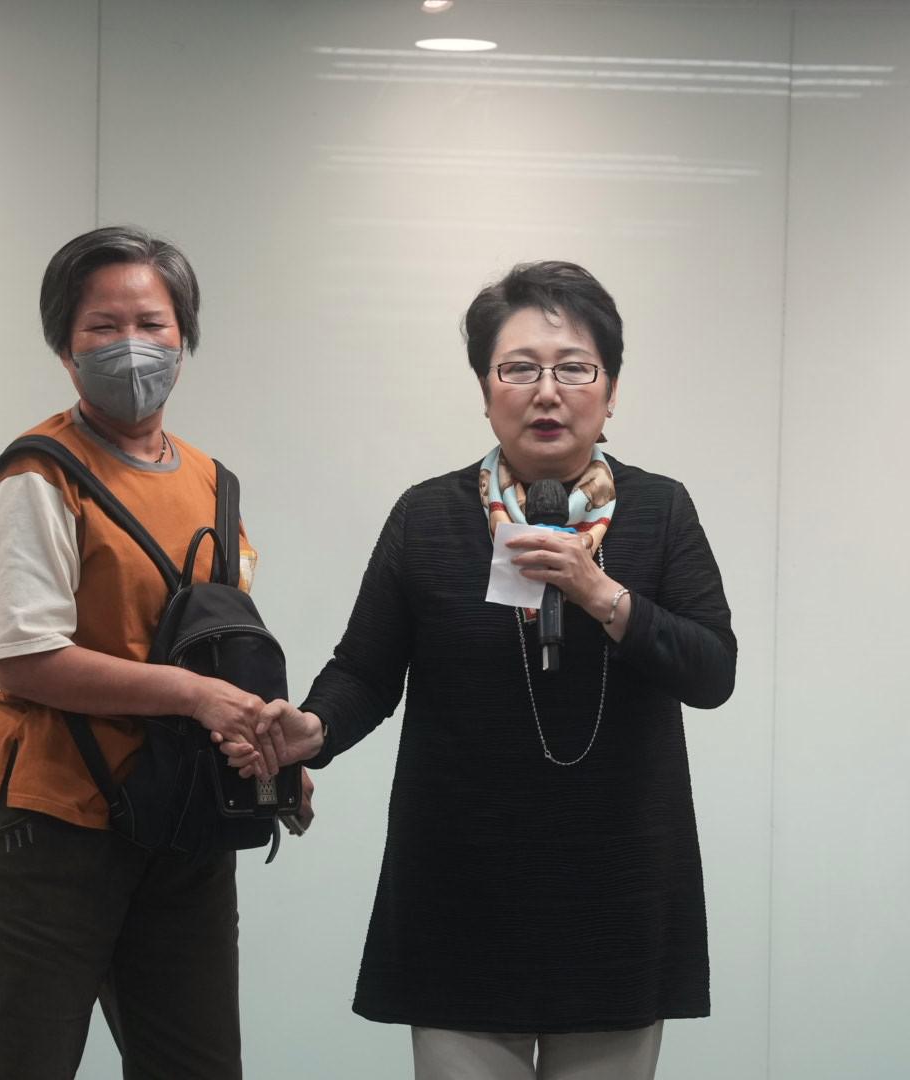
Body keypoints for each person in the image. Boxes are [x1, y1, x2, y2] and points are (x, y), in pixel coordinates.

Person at [253, 260, 736, 1079]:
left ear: (611, 392)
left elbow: (712, 669)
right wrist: (314, 728)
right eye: (519, 369)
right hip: (461, 889)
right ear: (485, 390)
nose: (547, 392)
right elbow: (365, 670)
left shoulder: (661, 512)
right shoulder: (427, 516)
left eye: (574, 368)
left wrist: (601, 594)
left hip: (617, 891)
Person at [0, 225, 323, 1080]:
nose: (131, 345)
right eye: (103, 326)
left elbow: (217, 650)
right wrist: (193, 697)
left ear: (184, 338)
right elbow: (24, 657)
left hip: (183, 821)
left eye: (152, 324)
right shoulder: (39, 474)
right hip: (46, 827)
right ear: (65, 346)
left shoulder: (213, 483)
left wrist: (265, 752)